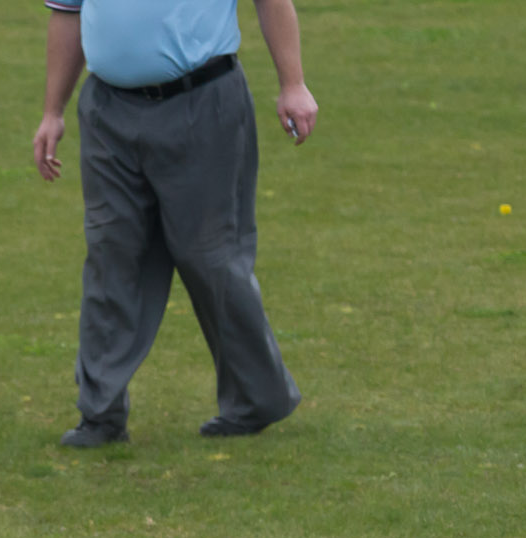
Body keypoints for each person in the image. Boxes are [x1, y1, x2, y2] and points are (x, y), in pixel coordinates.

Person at [32, 0, 317, 446]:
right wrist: (53, 111)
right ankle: (100, 413)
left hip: (203, 101)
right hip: (108, 110)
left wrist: (293, 83)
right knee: (111, 253)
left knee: (211, 257)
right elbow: (67, 14)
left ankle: (255, 399)